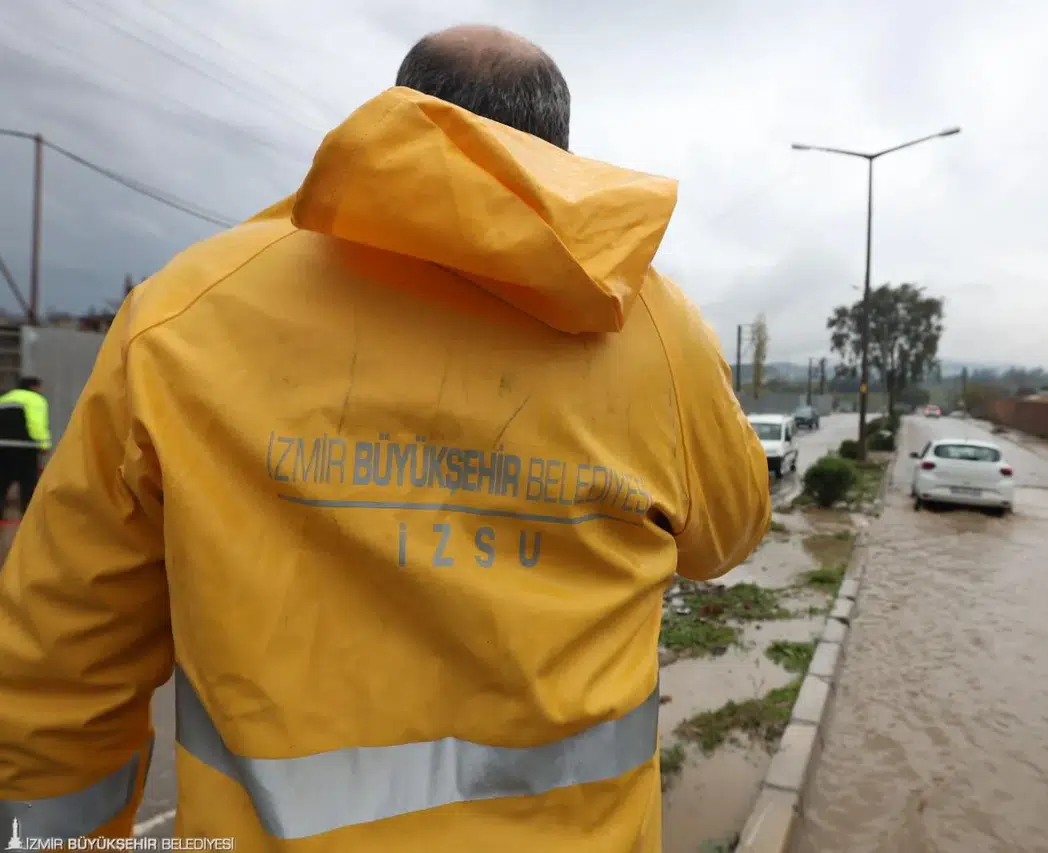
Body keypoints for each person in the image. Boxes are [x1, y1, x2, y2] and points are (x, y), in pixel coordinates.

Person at [0, 24, 770, 852]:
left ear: (399, 111)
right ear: (558, 152)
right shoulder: (656, 330)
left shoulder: (184, 313)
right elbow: (726, 536)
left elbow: (59, 674)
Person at [0, 376, 50, 517]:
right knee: (28, 484)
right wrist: (43, 444)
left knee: (2, 483)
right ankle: (29, 517)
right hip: (25, 447)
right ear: (33, 387)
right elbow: (36, 424)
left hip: (2, 447)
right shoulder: (34, 399)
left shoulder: (4, 399)